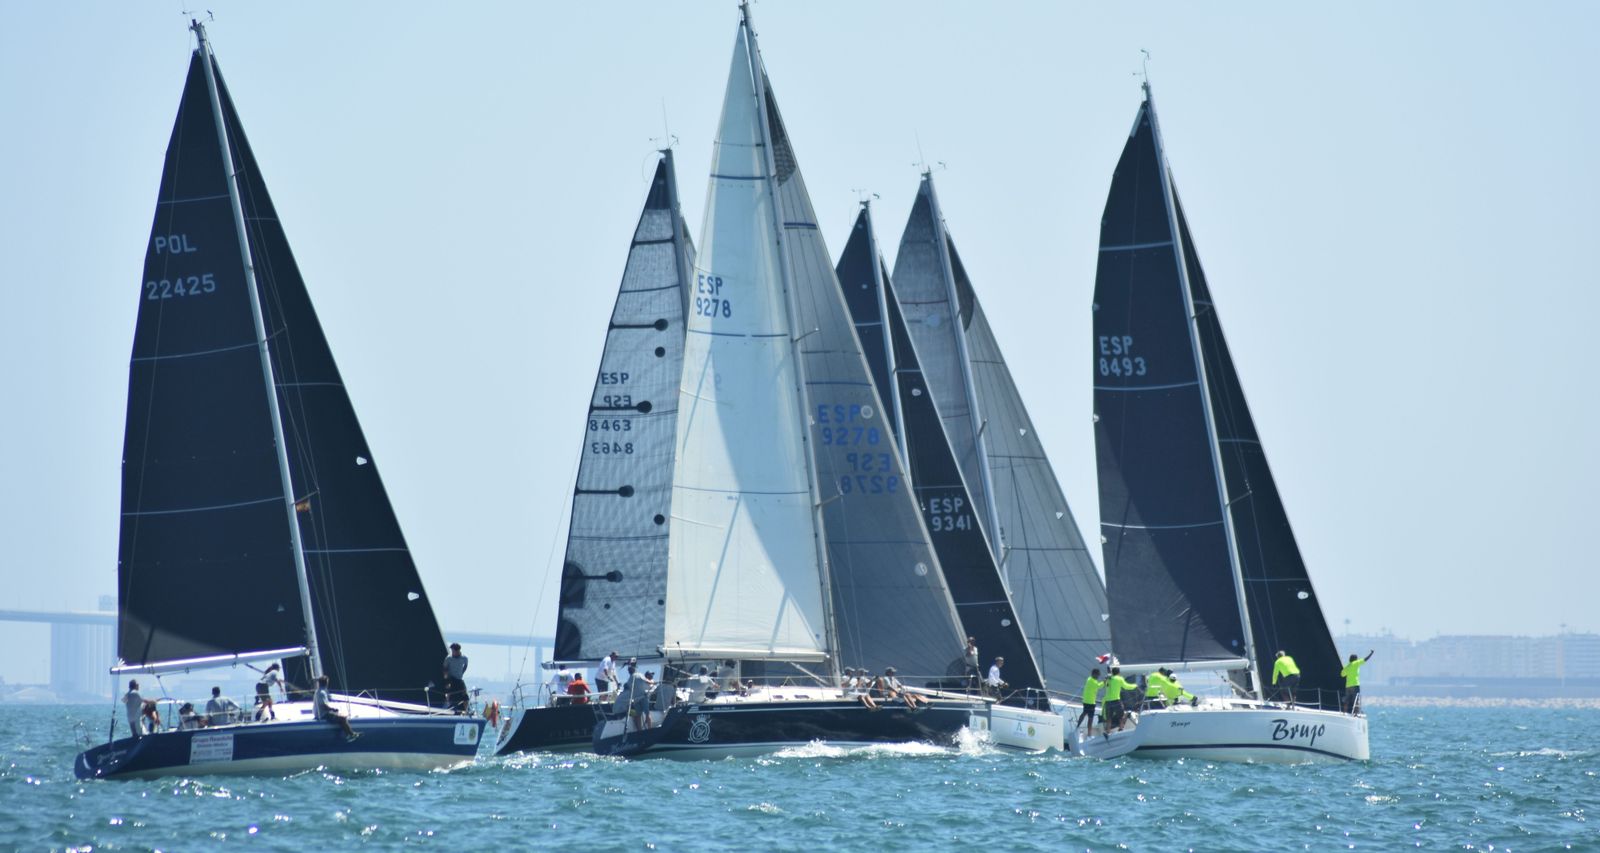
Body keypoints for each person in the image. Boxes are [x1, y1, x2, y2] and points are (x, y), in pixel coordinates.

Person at [313, 675, 359, 741]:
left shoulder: (319, 691)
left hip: (322, 713)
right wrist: (333, 709)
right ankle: (351, 735)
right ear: (326, 682)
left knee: (340, 715)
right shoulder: (321, 692)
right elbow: (324, 705)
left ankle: (349, 734)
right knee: (343, 718)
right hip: (323, 714)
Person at [1102, 667, 1139, 733]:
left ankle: (1108, 731)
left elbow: (1105, 685)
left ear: (1112, 672)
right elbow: (1126, 686)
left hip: (1107, 702)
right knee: (1121, 715)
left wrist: (1107, 678)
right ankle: (1121, 728)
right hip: (1116, 700)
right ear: (1118, 673)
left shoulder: (1108, 679)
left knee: (1109, 717)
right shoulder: (1119, 679)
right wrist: (1135, 685)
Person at [1340, 650, 1375, 714]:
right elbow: (1365, 659)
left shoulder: (1348, 666)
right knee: (1356, 700)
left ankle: (1344, 713)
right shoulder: (1356, 663)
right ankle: (1356, 713)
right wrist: (1371, 653)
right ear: (1355, 659)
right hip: (1355, 685)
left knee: (1347, 700)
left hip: (1348, 686)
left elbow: (1342, 674)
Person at [442, 642, 470, 714]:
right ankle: (447, 707)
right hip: (451, 678)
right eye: (452, 650)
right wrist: (446, 680)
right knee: (449, 693)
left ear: (458, 651)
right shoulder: (449, 658)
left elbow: (465, 666)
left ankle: (466, 711)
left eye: (453, 651)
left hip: (459, 679)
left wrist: (462, 673)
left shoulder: (464, 658)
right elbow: (445, 668)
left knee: (465, 695)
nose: (452, 652)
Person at [1078, 668, 1104, 735]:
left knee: (1084, 713)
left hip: (1086, 701)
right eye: (1097, 675)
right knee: (1090, 718)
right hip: (1091, 702)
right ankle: (1089, 733)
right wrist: (1105, 681)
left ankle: (1077, 726)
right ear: (1094, 674)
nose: (1098, 677)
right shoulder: (1093, 681)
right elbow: (1098, 686)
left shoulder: (1089, 679)